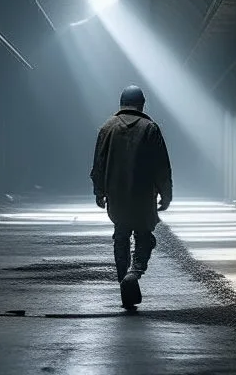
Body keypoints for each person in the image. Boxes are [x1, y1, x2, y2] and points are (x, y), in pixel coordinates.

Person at [90, 85, 173, 309]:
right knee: (144, 236)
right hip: (143, 196)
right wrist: (166, 194)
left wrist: (99, 190)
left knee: (121, 235)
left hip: (116, 196)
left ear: (121, 103)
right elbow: (161, 166)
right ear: (142, 104)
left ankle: (122, 279)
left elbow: (98, 163)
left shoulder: (107, 127)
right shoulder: (150, 128)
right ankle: (134, 273)